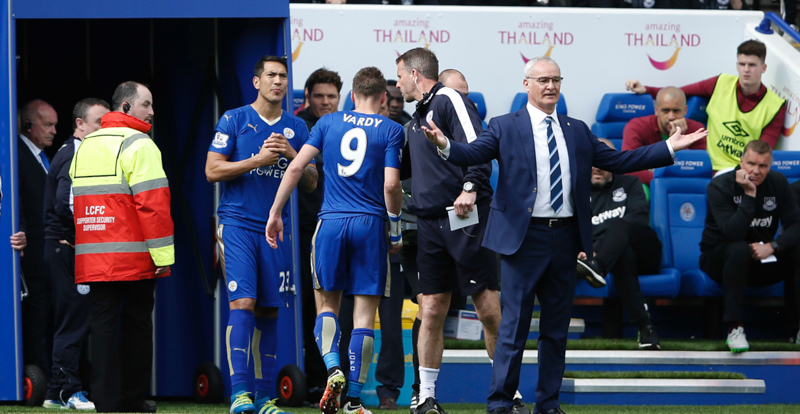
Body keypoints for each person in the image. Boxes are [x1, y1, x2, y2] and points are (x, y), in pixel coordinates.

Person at [422, 56, 707, 414]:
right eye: (542, 80)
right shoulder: (504, 125)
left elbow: (619, 161)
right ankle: (499, 405)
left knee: (555, 332)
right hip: (522, 240)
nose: (550, 86)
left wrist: (669, 148)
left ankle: (549, 405)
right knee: (513, 329)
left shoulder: (576, 129)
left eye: (556, 79)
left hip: (565, 240)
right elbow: (472, 152)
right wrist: (444, 144)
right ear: (526, 84)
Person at [266, 66, 404, 414]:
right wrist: (397, 228)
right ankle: (355, 398)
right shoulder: (392, 129)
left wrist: (275, 212)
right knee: (363, 316)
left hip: (330, 222)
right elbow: (391, 185)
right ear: (383, 98)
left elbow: (296, 168)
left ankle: (333, 368)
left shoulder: (327, 123)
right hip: (370, 224)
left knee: (326, 305)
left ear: (352, 96)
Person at [395, 47, 509, 414]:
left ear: (414, 74)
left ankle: (508, 393)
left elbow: (479, 148)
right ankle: (426, 396)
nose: (396, 85)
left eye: (399, 76)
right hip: (428, 223)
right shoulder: (416, 120)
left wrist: (471, 187)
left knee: (488, 307)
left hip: (464, 217)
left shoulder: (448, 98)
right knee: (430, 310)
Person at [206, 55, 317, 414]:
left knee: (270, 311)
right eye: (271, 75)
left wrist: (293, 155)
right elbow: (212, 171)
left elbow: (314, 182)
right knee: (243, 304)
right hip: (237, 224)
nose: (278, 82)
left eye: (283, 76)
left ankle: (267, 397)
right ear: (257, 81)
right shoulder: (234, 119)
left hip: (274, 229)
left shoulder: (297, 128)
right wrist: (256, 160)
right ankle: (240, 394)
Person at [69, 81, 174, 413]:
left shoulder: (86, 145)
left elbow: (76, 203)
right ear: (126, 107)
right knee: (137, 328)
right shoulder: (140, 144)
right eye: (147, 104)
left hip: (94, 257)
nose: (152, 112)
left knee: (100, 330)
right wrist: (163, 257)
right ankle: (132, 400)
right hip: (134, 258)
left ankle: (104, 402)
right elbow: (153, 206)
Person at [700, 140, 800, 352]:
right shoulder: (719, 186)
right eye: (751, 164)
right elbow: (732, 233)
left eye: (763, 166)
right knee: (739, 248)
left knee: (797, 251)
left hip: (762, 256)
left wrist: (773, 246)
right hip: (719, 258)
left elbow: (797, 225)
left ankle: (796, 330)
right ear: (741, 161)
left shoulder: (778, 183)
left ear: (770, 164)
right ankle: (735, 328)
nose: (756, 171)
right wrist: (749, 194)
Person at [42, 98, 109, 410]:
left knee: (70, 318)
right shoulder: (76, 153)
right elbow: (65, 205)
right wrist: (92, 233)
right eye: (98, 122)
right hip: (66, 248)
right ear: (80, 124)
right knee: (74, 320)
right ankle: (70, 391)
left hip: (64, 247)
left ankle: (55, 392)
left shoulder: (79, 152)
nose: (103, 128)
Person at [626, 40, 786, 172]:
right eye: (742, 64)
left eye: (752, 65)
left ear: (763, 68)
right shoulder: (720, 82)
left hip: (741, 171)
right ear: (737, 65)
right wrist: (647, 89)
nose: (746, 70)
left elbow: (763, 151)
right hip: (708, 167)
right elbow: (680, 93)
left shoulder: (775, 106)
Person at [577, 138, 663, 349]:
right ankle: (646, 328)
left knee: (620, 225)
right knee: (623, 255)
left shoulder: (631, 183)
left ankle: (598, 267)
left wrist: (595, 251)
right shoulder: (577, 192)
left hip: (645, 251)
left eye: (603, 160)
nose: (597, 166)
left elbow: (638, 220)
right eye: (592, 160)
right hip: (620, 258)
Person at [296, 67, 343, 404]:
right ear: (307, 97)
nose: (326, 102)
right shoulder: (298, 127)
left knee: (345, 310)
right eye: (319, 96)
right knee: (312, 311)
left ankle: (344, 383)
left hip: (342, 229)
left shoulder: (347, 126)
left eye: (331, 96)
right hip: (303, 231)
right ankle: (316, 383)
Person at [18, 99, 58, 376]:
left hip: (49, 256)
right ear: (28, 125)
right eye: (48, 125)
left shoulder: (43, 157)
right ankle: (38, 377)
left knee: (50, 318)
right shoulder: (14, 154)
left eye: (55, 124)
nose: (54, 130)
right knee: (36, 319)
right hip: (30, 255)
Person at [621, 87, 707, 185]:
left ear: (685, 110)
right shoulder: (637, 126)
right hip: (647, 183)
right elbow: (628, 166)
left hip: (683, 185)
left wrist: (680, 144)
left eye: (676, 111)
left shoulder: (696, 129)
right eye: (665, 111)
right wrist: (663, 179)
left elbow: (699, 168)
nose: (671, 117)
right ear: (656, 110)